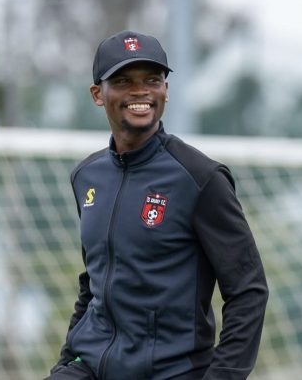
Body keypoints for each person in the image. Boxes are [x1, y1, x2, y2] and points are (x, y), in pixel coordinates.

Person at [47, 30, 269, 380]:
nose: (140, 92)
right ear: (97, 94)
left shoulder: (201, 178)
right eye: (123, 81)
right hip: (88, 368)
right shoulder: (87, 177)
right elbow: (94, 280)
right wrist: (66, 360)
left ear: (165, 89)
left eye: (152, 79)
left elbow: (248, 291)